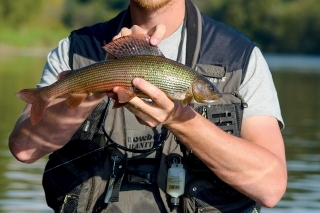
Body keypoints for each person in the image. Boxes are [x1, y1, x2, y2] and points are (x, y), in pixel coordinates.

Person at [8, 0, 287, 212]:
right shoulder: (75, 49)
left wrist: (179, 118)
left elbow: (271, 187)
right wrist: (104, 78)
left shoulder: (242, 57)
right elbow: (25, 148)